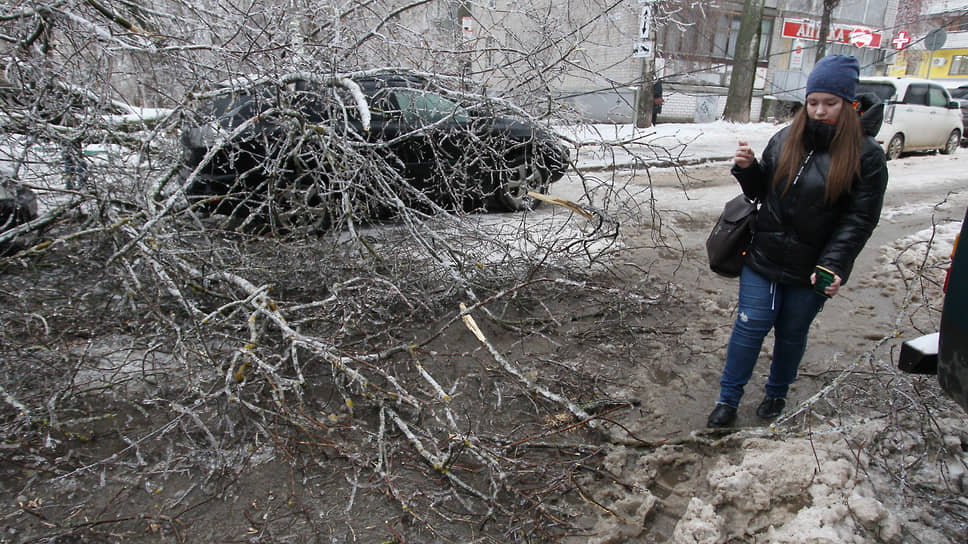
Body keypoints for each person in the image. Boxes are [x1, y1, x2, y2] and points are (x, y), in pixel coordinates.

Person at [706, 55, 889, 428]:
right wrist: (747, 170)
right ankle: (728, 399)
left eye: (830, 103)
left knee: (791, 334)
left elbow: (859, 220)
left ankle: (776, 392)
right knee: (749, 326)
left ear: (850, 104)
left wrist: (834, 265)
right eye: (813, 102)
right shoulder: (786, 138)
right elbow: (763, 192)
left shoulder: (867, 156)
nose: (820, 111)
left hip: (813, 267)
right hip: (764, 258)